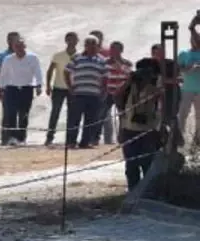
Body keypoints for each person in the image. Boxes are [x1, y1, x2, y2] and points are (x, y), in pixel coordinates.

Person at [118, 58, 164, 190]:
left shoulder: (156, 86)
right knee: (131, 165)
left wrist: (153, 84)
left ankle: (148, 192)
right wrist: (128, 82)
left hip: (150, 130)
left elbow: (163, 104)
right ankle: (133, 192)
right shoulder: (130, 86)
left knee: (148, 164)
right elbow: (117, 98)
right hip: (129, 128)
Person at [64, 36, 108, 149]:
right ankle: (71, 142)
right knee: (74, 119)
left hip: (94, 94)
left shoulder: (102, 60)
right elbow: (66, 71)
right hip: (78, 94)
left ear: (97, 46)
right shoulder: (77, 58)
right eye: (89, 44)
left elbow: (105, 77)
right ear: (85, 46)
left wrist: (103, 91)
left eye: (94, 45)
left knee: (91, 120)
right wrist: (70, 87)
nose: (92, 47)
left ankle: (85, 142)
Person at [0, 37, 43, 145]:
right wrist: (1, 89)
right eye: (16, 46)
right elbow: (3, 75)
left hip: (26, 89)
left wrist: (39, 85)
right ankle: (12, 138)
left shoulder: (33, 58)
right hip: (11, 89)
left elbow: (38, 72)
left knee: (24, 115)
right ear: (13, 47)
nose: (18, 48)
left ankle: (21, 139)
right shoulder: (8, 59)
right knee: (11, 114)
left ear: (25, 46)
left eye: (21, 46)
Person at [44, 32, 79, 146]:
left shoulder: (80, 56)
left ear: (77, 41)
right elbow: (50, 70)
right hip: (58, 87)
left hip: (73, 89)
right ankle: (49, 137)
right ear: (66, 41)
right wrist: (48, 86)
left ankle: (70, 139)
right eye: (69, 39)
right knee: (55, 112)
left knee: (72, 113)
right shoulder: (58, 55)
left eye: (74, 40)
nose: (72, 42)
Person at [103, 41, 133, 146]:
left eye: (116, 49)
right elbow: (102, 77)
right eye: (112, 49)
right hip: (107, 92)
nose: (113, 51)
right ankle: (103, 139)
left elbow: (129, 78)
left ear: (121, 50)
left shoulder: (127, 63)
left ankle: (122, 138)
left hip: (121, 93)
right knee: (102, 115)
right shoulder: (104, 63)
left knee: (122, 115)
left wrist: (121, 90)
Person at [176, 19, 200, 147]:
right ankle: (180, 139)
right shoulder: (184, 54)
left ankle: (197, 142)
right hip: (187, 88)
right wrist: (189, 68)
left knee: (199, 118)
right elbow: (178, 69)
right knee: (182, 115)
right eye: (193, 39)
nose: (195, 41)